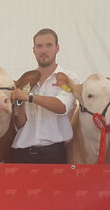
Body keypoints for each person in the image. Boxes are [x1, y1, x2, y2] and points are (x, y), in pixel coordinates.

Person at [10, 28, 78, 164]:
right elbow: (20, 123)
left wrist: (29, 97)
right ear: (33, 50)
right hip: (22, 152)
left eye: (49, 45)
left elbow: (62, 107)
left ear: (57, 48)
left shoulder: (68, 77)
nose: (43, 50)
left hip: (54, 154)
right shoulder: (26, 79)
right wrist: (18, 103)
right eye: (39, 46)